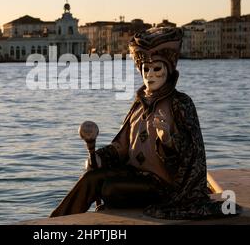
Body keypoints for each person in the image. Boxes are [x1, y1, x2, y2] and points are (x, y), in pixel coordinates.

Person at [50, 27, 239, 219]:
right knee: (92, 178)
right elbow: (122, 146)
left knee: (109, 188)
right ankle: (55, 223)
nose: (150, 75)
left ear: (168, 70)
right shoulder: (139, 103)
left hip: (162, 186)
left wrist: (167, 140)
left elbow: (191, 156)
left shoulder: (180, 103)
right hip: (133, 176)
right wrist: (98, 158)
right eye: (145, 69)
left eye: (156, 69)